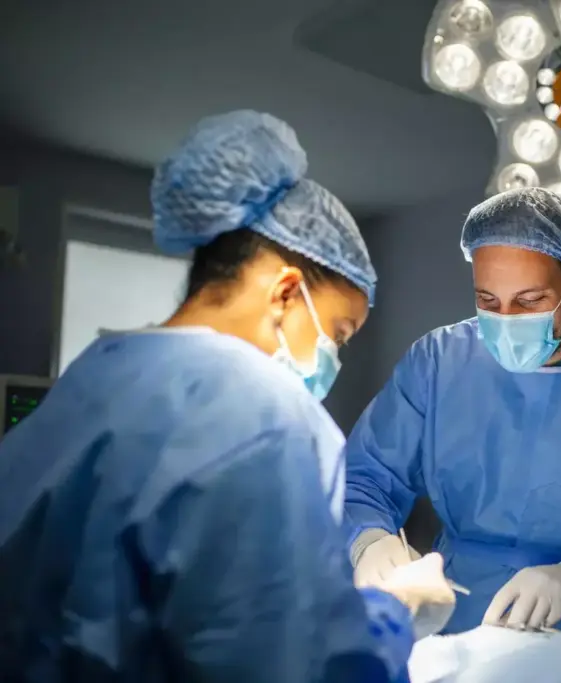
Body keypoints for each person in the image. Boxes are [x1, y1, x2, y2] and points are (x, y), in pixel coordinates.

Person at [0, 110, 454, 683]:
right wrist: (396, 612)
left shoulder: (94, 374)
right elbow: (290, 663)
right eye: (339, 334)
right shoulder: (264, 415)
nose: (334, 357)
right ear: (285, 293)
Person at [342, 187, 561, 634]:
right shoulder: (439, 362)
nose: (507, 320)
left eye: (529, 301)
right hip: (457, 622)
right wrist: (369, 539)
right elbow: (364, 479)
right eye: (488, 301)